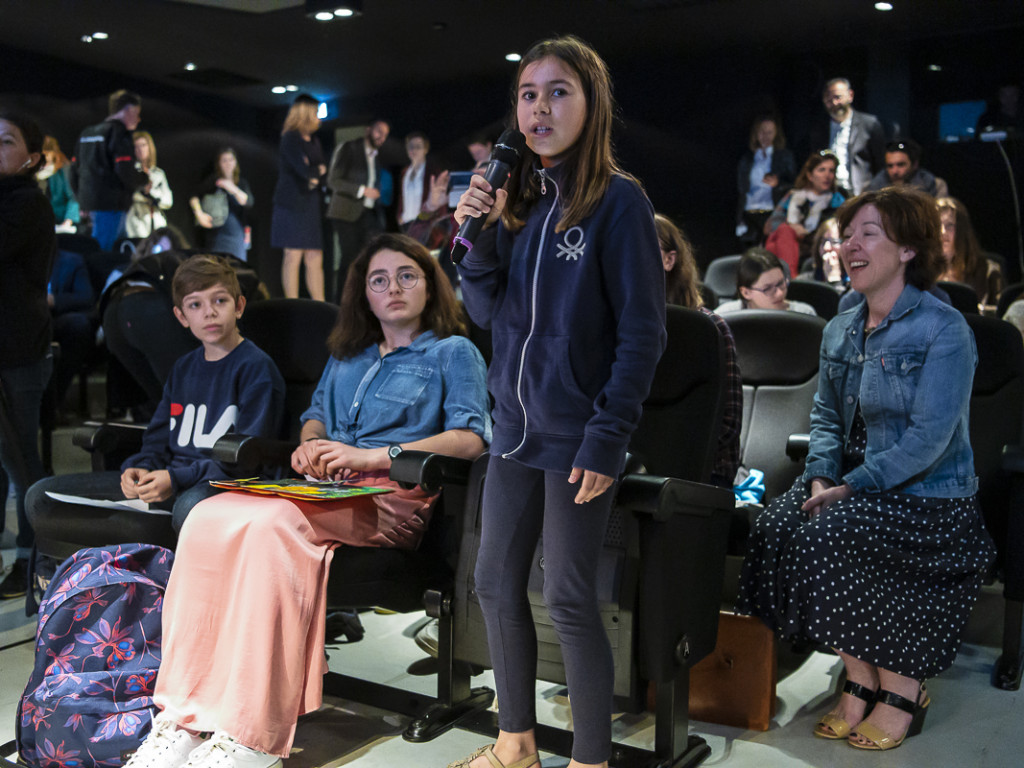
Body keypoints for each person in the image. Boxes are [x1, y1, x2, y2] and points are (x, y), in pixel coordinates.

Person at [121, 233, 490, 768]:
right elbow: (313, 415)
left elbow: (469, 438)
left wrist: (374, 457)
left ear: (431, 286)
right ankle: (183, 715)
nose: (393, 288)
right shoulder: (349, 356)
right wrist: (313, 442)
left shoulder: (453, 353)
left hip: (389, 500)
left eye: (407, 276)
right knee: (206, 515)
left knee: (271, 525)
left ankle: (251, 730)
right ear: (364, 294)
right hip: (324, 492)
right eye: (378, 279)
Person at [453, 35, 666, 768]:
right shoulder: (519, 202)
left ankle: (590, 758)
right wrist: (478, 231)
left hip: (578, 437)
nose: (540, 108)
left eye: (558, 91)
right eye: (528, 94)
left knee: (569, 597)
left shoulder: (619, 201)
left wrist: (607, 437)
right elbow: (483, 312)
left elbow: (644, 335)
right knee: (491, 582)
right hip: (512, 432)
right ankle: (515, 743)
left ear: (592, 101)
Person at [736, 186, 995, 752]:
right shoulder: (840, 326)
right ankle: (861, 675)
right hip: (851, 480)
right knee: (778, 527)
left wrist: (852, 486)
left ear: (908, 250)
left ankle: (903, 684)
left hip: (925, 495)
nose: (849, 244)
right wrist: (824, 475)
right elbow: (825, 417)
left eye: (868, 233)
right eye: (847, 234)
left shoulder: (943, 329)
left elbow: (929, 439)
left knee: (829, 533)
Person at [28, 254, 285, 533]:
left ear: (239, 306)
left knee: (189, 507)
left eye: (219, 301)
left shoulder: (256, 369)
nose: (209, 312)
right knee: (40, 496)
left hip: (219, 486)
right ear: (181, 317)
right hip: (172, 482)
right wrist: (139, 468)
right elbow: (157, 439)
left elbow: (246, 461)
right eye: (195, 305)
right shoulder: (183, 367)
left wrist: (175, 479)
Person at [0, 111, 56, 598]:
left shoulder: (27, 203)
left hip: (18, 350)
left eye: (5, 142)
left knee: (21, 462)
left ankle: (32, 560)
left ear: (31, 157)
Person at [656, 213, 741, 489]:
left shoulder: (710, 327)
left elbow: (727, 424)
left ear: (670, 260)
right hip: (636, 467)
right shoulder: (617, 324)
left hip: (703, 472)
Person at [68, 89, 149, 249]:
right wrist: (144, 179)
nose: (138, 119)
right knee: (104, 252)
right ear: (128, 109)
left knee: (102, 248)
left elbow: (73, 171)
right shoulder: (120, 134)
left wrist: (82, 201)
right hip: (111, 206)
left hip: (88, 206)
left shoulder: (87, 133)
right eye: (137, 113)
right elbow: (124, 171)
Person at [326, 118, 391, 301]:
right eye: (379, 131)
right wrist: (362, 190)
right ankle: (340, 303)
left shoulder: (376, 157)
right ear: (368, 130)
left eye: (385, 135)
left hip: (367, 214)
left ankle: (361, 301)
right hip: (345, 212)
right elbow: (333, 180)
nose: (381, 137)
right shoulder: (349, 148)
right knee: (349, 259)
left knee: (367, 259)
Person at [271, 94, 326, 301]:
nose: (319, 117)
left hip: (310, 203)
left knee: (314, 255)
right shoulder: (290, 138)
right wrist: (314, 172)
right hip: (291, 203)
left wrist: (314, 173)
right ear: (305, 112)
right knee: (293, 255)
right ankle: (292, 303)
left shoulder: (314, 141)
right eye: (316, 111)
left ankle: (320, 304)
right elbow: (305, 170)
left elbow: (322, 171)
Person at [765, 150, 847, 275]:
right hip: (789, 240)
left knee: (775, 246)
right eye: (822, 170)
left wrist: (804, 233)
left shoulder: (837, 200)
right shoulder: (793, 196)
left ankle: (788, 280)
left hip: (815, 243)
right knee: (784, 231)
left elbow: (835, 230)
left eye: (831, 171)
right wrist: (793, 227)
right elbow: (770, 225)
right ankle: (790, 279)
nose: (827, 175)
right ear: (810, 175)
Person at [809, 78, 886, 196]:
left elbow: (880, 163)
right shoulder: (818, 128)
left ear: (850, 95)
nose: (834, 103)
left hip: (860, 192)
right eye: (828, 100)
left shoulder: (869, 124)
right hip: (829, 193)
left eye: (837, 97)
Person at [736, 115, 796, 245]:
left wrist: (778, 184)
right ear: (756, 134)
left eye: (770, 132)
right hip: (750, 213)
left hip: (772, 212)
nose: (766, 136)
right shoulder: (747, 158)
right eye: (762, 132)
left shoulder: (784, 156)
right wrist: (739, 219)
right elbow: (741, 190)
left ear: (776, 134)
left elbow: (794, 185)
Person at [936, 196, 1004, 308]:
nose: (942, 232)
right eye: (937, 225)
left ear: (962, 230)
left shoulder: (989, 271)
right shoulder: (919, 271)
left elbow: (998, 318)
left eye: (950, 225)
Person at [190, 147, 254, 261]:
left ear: (235, 162)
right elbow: (194, 196)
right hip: (217, 233)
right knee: (217, 268)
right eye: (224, 160)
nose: (228, 163)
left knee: (237, 268)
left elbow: (247, 202)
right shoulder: (214, 181)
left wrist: (231, 188)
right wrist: (199, 215)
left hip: (236, 234)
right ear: (219, 163)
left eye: (231, 160)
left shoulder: (241, 183)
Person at [715, 247, 818, 315]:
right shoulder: (725, 316)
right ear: (746, 292)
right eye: (767, 289)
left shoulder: (804, 314)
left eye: (781, 283)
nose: (779, 293)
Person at [126, 131, 174, 239]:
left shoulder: (158, 173)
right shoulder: (130, 172)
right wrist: (143, 193)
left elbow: (168, 201)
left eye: (143, 145)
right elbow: (131, 194)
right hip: (137, 221)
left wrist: (151, 193)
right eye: (136, 146)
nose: (140, 149)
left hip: (156, 222)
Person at [398, 131, 449, 233]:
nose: (413, 150)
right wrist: (400, 216)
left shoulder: (433, 172)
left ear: (425, 149)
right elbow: (402, 196)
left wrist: (439, 225)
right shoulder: (405, 172)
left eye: (418, 147)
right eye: (411, 146)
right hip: (406, 223)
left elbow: (439, 199)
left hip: (425, 224)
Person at [866, 139, 948, 198]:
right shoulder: (873, 188)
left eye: (900, 164)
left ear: (915, 164)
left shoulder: (934, 185)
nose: (895, 171)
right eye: (890, 166)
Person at [38, 136, 79, 230]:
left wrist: (68, 221)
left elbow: (73, 197)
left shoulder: (64, 170)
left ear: (54, 154)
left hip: (61, 221)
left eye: (46, 154)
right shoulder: (34, 172)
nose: (43, 159)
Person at [801, 217, 848, 288]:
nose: (826, 247)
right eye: (823, 242)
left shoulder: (858, 277)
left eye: (834, 242)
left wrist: (834, 279)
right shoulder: (810, 269)